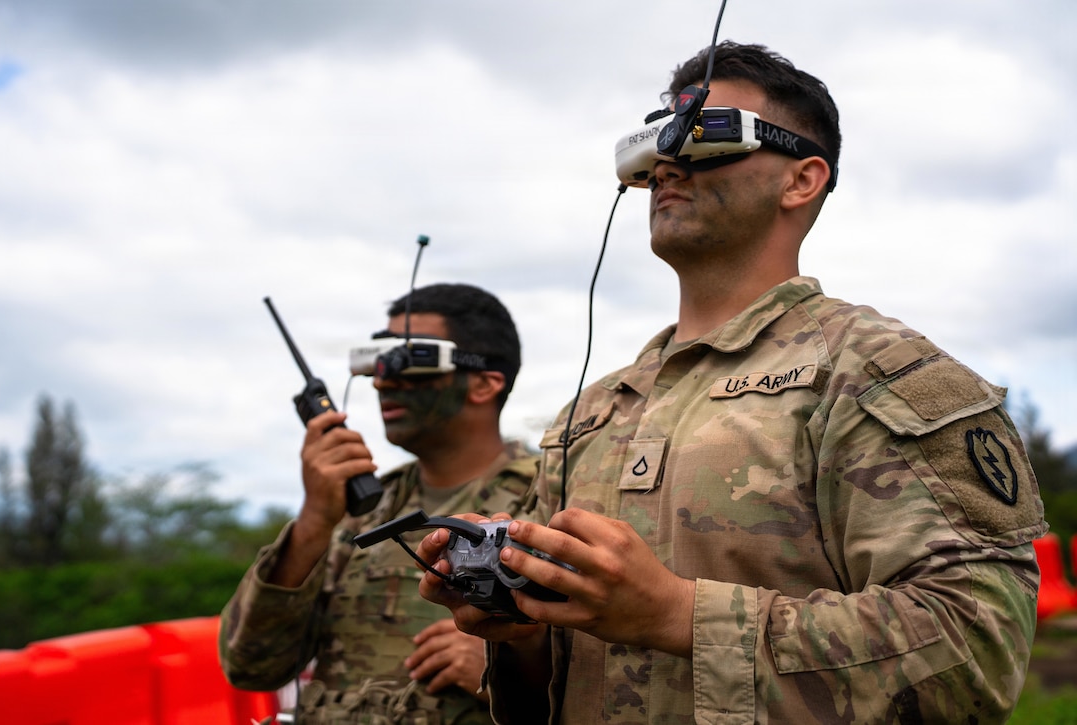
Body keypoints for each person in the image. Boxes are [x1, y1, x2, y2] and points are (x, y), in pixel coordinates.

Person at [417, 42, 1047, 723]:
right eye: (658, 139)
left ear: (800, 180)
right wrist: (522, 624)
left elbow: (975, 647)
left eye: (708, 135)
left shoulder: (879, 374)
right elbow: (556, 681)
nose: (667, 161)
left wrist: (678, 613)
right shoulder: (593, 412)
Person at [219, 283, 538, 725]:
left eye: (410, 362)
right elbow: (253, 667)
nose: (383, 379)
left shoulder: (549, 499)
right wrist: (313, 522)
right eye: (379, 361)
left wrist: (506, 664)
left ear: (484, 383)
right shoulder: (361, 510)